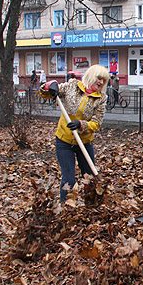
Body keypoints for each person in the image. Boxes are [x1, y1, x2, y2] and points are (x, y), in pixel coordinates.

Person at [40, 65, 109, 202]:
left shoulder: (101, 98)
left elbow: (96, 123)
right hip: (64, 141)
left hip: (84, 142)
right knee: (69, 179)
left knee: (89, 177)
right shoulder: (72, 86)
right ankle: (65, 206)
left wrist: (81, 124)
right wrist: (49, 87)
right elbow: (47, 92)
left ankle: (92, 205)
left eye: (104, 80)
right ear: (91, 76)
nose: (101, 82)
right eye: (99, 78)